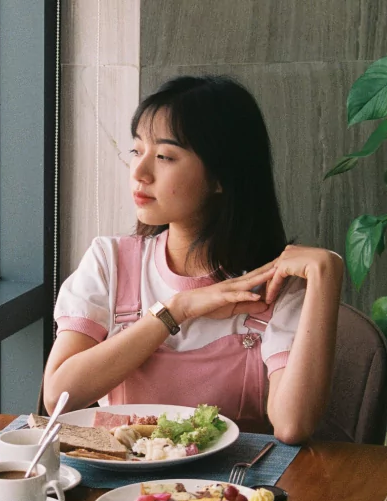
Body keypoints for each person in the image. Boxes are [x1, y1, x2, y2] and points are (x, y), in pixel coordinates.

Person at [43, 75, 343, 444]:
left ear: (220, 176)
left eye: (165, 156)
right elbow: (59, 397)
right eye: (137, 151)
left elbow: (292, 426)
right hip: (117, 491)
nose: (139, 172)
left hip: (235, 495)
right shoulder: (111, 262)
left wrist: (328, 274)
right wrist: (176, 309)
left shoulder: (276, 285)